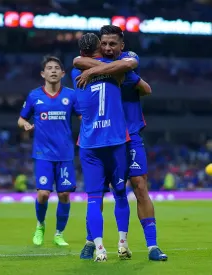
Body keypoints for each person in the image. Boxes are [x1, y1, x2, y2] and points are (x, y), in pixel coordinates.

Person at [73, 25, 167, 261]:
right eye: (103, 43)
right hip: (102, 136)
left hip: (130, 132)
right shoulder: (90, 61)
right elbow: (77, 60)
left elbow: (145, 87)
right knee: (98, 191)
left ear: (121, 45)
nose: (107, 48)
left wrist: (95, 71)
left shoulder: (129, 59)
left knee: (139, 185)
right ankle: (90, 241)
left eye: (112, 44)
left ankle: (152, 246)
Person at [18, 55, 79, 247]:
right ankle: (40, 225)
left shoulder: (71, 96)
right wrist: (26, 125)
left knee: (64, 195)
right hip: (43, 154)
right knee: (43, 194)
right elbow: (21, 119)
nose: (53, 71)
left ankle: (59, 234)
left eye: (56, 68)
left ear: (62, 73)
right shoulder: (34, 96)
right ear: (43, 73)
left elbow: (83, 117)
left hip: (65, 154)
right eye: (49, 68)